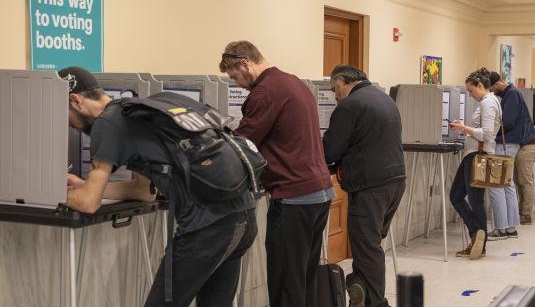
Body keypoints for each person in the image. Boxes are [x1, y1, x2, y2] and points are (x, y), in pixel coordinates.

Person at [59, 66, 257, 307]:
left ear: (75, 100)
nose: (68, 125)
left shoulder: (106, 124)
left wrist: (52, 193)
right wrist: (86, 185)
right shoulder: (139, 110)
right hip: (242, 216)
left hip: (206, 228)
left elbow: (88, 203)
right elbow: (144, 191)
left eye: (64, 115)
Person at [218, 41, 334, 307]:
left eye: (235, 76)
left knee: (285, 282)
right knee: (305, 278)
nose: (237, 84)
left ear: (245, 62)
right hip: (320, 193)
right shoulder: (294, 82)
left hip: (294, 196)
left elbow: (243, 144)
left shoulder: (265, 92)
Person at [322, 65, 406, 307]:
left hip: (370, 186)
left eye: (334, 88)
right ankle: (358, 288)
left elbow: (330, 150)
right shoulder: (384, 98)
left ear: (343, 81)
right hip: (395, 182)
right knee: (367, 244)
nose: (335, 95)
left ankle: (376, 303)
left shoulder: (349, 105)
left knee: (367, 248)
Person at [449, 68, 501, 260]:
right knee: (456, 195)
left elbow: (486, 134)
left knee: (475, 201)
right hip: (472, 154)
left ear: (481, 86)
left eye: (471, 90)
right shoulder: (490, 101)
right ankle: (476, 233)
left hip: (477, 156)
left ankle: (479, 241)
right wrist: (465, 128)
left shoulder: (488, 102)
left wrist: (464, 128)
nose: (470, 95)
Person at [488, 72, 535, 233]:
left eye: (491, 88)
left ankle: (512, 221)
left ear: (497, 84)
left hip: (516, 143)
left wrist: (490, 131)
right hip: (518, 142)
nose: (491, 92)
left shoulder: (511, 94)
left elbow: (508, 121)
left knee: (515, 182)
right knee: (510, 183)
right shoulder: (511, 94)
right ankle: (511, 225)